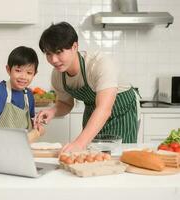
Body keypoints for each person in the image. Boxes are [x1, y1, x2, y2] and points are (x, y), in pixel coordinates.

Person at [35, 22, 140, 152]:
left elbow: (104, 109)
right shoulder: (58, 75)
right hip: (93, 110)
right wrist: (52, 111)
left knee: (118, 154)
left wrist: (79, 143)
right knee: (91, 153)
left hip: (121, 110)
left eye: (58, 52)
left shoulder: (99, 64)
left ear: (74, 46)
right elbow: (66, 104)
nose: (54, 60)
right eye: (48, 54)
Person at [0, 46, 44, 143]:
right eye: (18, 71)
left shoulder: (29, 95)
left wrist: (38, 127)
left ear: (34, 74)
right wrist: (1, 138)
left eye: (29, 72)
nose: (23, 77)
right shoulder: (0, 92)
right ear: (8, 70)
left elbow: (30, 121)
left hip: (21, 148)